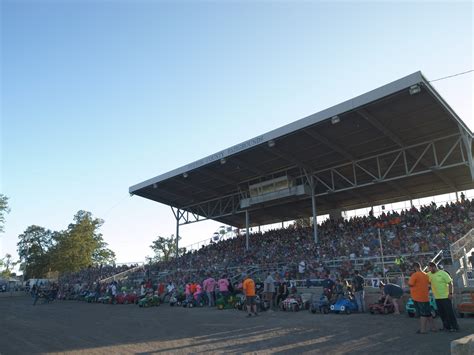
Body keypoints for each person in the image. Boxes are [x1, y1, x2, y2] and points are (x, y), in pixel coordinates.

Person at [427, 262, 459, 332]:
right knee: (442, 313)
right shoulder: (429, 274)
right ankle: (446, 326)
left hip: (445, 296)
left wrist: (450, 293)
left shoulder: (443, 273)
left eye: (429, 268)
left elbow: (450, 283)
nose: (429, 270)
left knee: (449, 312)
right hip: (437, 297)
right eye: (428, 268)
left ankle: (455, 327)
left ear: (434, 267)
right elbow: (426, 281)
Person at [408, 262, 436, 334]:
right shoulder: (425, 274)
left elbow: (410, 284)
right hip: (425, 297)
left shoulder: (415, 275)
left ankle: (423, 330)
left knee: (423, 314)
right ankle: (433, 328)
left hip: (418, 297)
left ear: (415, 267)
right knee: (428, 313)